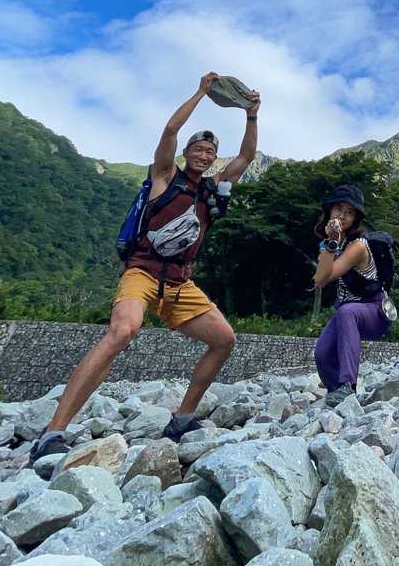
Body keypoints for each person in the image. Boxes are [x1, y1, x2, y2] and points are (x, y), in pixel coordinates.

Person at [29, 73, 260, 463]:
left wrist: (251, 115)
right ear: (187, 152)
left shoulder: (212, 188)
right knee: (123, 331)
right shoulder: (164, 176)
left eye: (210, 152)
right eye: (198, 149)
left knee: (224, 339)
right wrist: (201, 93)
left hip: (180, 282)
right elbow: (170, 130)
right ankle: (53, 432)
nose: (204, 155)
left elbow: (246, 157)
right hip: (143, 272)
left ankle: (183, 418)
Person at [311, 184, 393, 407]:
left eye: (349, 212)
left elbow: (328, 276)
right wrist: (330, 243)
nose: (342, 216)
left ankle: (348, 384)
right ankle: (337, 394)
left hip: (374, 311)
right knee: (322, 353)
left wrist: (330, 245)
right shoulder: (331, 244)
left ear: (356, 218)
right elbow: (319, 279)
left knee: (347, 312)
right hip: (346, 312)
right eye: (338, 209)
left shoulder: (358, 246)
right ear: (329, 210)